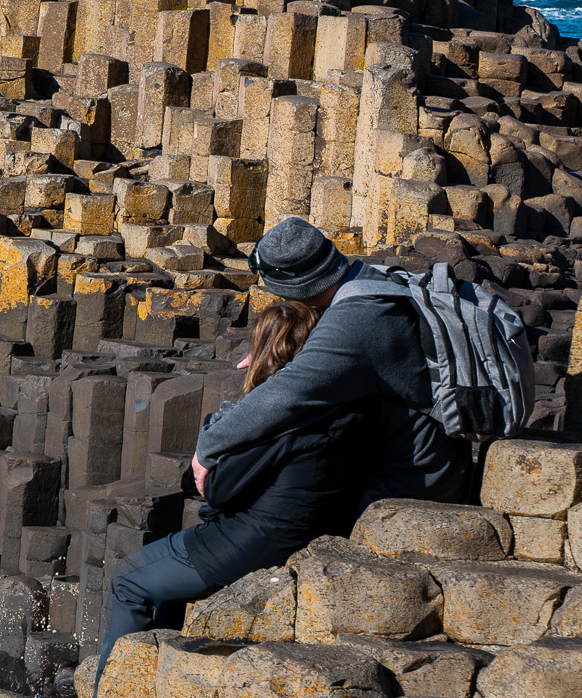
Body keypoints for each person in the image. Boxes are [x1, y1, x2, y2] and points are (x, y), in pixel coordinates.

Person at [95, 289, 373, 679]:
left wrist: (226, 418)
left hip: (250, 542)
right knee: (165, 591)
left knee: (127, 579)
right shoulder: (342, 403)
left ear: (260, 352)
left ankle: (110, 688)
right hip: (297, 532)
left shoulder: (277, 414)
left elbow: (216, 489)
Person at [194, 216, 473, 505]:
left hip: (413, 483)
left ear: (293, 288)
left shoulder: (356, 322)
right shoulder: (372, 280)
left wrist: (208, 446)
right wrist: (273, 343)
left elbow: (284, 397)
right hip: (442, 459)